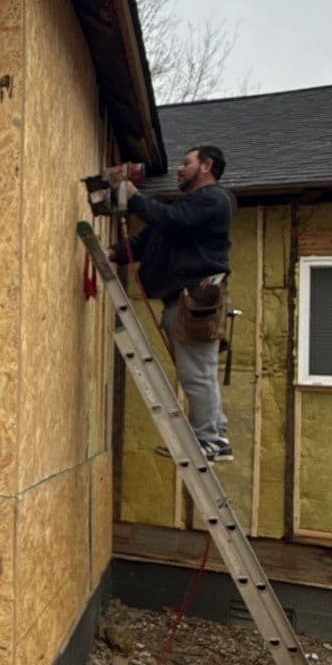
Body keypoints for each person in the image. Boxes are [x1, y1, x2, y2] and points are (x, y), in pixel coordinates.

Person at [114, 146, 237, 461]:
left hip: (195, 300)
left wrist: (137, 197)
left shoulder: (214, 199)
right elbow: (154, 236)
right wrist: (115, 252)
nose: (180, 169)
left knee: (197, 372)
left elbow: (170, 221)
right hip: (185, 301)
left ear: (207, 166)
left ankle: (210, 438)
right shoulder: (187, 207)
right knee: (196, 371)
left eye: (187, 163)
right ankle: (213, 434)